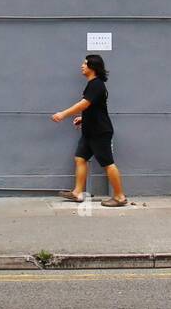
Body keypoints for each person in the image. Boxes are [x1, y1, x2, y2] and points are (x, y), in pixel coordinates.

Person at [52, 54, 128, 207]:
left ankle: (120, 197)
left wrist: (63, 114)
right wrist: (83, 118)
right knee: (80, 158)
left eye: (85, 64)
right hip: (90, 131)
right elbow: (94, 107)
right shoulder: (93, 84)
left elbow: (84, 104)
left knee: (107, 163)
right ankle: (77, 192)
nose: (82, 66)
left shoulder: (96, 85)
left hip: (99, 132)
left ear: (92, 67)